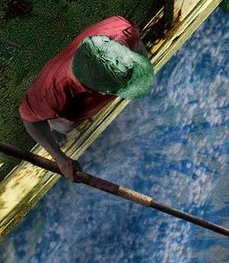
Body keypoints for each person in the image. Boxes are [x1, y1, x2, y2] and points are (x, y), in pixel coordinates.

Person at [19, 16, 157, 181]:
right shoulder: (50, 93)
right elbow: (29, 118)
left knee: (140, 52)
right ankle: (55, 131)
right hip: (71, 105)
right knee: (64, 126)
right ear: (102, 91)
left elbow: (132, 32)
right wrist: (60, 159)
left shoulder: (124, 30)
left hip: (128, 51)